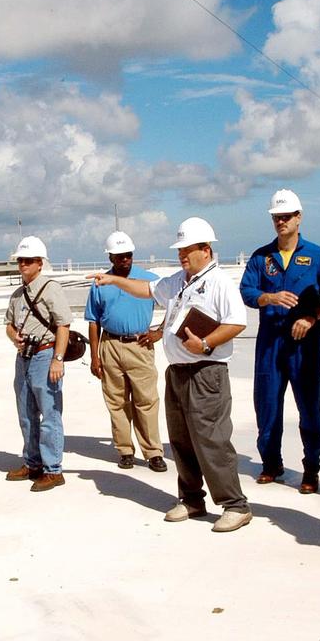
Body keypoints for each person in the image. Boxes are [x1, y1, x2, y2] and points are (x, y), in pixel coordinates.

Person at [91, 217, 252, 532]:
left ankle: (235, 504)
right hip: (178, 370)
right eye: (180, 251)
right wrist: (113, 281)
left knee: (212, 440)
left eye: (188, 250)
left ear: (206, 250)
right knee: (181, 440)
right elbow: (147, 289)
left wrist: (204, 342)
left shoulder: (219, 282)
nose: (182, 256)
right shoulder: (179, 280)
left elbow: (236, 322)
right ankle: (192, 499)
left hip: (207, 372)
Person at [240, 189, 320, 492]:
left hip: (303, 345)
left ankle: (311, 468)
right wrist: (268, 297)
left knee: (309, 408)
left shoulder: (317, 256)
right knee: (266, 405)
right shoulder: (260, 257)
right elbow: (246, 291)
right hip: (269, 342)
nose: (281, 221)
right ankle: (271, 463)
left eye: (286, 216)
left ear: (298, 217)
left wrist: (310, 319)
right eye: (276, 217)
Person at [86, 231, 166, 472]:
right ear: (111, 257)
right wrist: (94, 356)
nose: (124, 259)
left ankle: (153, 452)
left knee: (146, 400)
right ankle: (125, 450)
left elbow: (176, 306)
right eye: (119, 256)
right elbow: (93, 321)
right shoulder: (99, 282)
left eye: (128, 255)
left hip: (139, 346)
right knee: (116, 401)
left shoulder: (149, 280)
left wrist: (158, 332)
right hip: (110, 345)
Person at [4, 236, 72, 491]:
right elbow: (8, 325)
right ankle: (33, 462)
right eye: (20, 260)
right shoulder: (18, 294)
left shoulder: (50, 288)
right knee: (26, 413)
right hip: (23, 357)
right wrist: (15, 337)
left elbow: (64, 325)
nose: (23, 265)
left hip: (45, 354)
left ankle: (53, 469)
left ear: (40, 263)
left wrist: (58, 359)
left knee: (50, 414)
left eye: (28, 261)